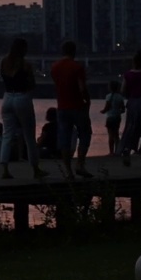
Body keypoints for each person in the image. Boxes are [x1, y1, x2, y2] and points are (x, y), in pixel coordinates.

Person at [0, 37, 46, 180]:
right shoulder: (26, 65)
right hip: (22, 98)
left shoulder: (3, 62)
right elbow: (32, 84)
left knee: (7, 135)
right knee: (29, 136)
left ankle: (5, 169)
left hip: (7, 98)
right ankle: (35, 169)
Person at [51, 39, 94, 180]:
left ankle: (68, 171)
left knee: (65, 138)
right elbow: (82, 88)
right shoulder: (77, 67)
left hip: (62, 107)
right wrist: (87, 100)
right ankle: (80, 164)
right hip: (77, 106)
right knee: (85, 134)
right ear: (74, 52)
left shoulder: (54, 67)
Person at [99, 79, 126, 156]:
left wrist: (103, 111)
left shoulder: (108, 96)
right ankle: (117, 151)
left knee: (110, 135)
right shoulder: (120, 97)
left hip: (110, 117)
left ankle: (111, 152)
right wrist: (118, 111)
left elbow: (107, 107)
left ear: (110, 88)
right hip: (117, 117)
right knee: (116, 134)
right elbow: (123, 109)